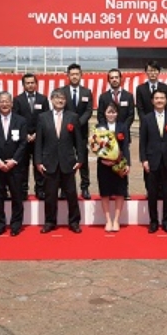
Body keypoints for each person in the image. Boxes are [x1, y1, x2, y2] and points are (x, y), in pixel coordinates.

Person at [35, 89, 87, 234]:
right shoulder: (43, 117)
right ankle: (50, 222)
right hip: (49, 162)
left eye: (62, 98)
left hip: (68, 162)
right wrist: (38, 160)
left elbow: (78, 140)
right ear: (51, 100)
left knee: (71, 194)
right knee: (50, 195)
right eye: (57, 98)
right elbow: (39, 141)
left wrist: (80, 159)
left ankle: (74, 222)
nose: (60, 100)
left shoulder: (73, 117)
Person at [0, 92, 28, 236]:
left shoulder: (20, 121)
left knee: (17, 196)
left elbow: (23, 143)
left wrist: (14, 161)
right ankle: (0, 225)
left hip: (15, 166)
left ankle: (16, 225)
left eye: (7, 101)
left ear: (11, 103)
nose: (4, 104)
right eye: (1, 101)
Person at [139, 89, 167, 233]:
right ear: (152, 101)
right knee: (152, 193)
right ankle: (153, 221)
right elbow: (142, 142)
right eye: (156, 98)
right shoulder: (146, 118)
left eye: (162, 98)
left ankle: (166, 222)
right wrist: (144, 160)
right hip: (151, 161)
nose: (159, 100)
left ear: (166, 100)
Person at [96, 68, 135, 199]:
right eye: (111, 78)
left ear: (120, 79)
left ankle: (124, 190)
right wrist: (107, 134)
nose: (114, 79)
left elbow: (131, 115)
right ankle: (109, 190)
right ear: (108, 80)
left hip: (122, 136)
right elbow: (100, 116)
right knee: (107, 164)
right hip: (106, 139)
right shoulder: (103, 97)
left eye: (116, 77)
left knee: (122, 162)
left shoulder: (128, 96)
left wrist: (121, 129)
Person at [58, 63, 94, 199]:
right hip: (65, 132)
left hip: (81, 131)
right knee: (65, 159)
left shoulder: (86, 92)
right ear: (68, 75)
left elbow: (89, 110)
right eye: (72, 74)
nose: (74, 76)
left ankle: (85, 187)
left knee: (82, 160)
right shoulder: (62, 91)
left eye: (76, 74)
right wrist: (69, 123)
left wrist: (78, 124)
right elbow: (59, 108)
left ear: (81, 75)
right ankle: (63, 188)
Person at [12, 73, 49, 200]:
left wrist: (37, 134)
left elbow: (46, 118)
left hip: (39, 138)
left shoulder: (43, 99)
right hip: (23, 139)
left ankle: (40, 189)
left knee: (39, 165)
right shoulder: (17, 100)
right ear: (23, 85)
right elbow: (15, 119)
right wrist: (25, 135)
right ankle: (23, 190)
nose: (30, 85)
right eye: (27, 83)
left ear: (36, 84)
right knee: (22, 166)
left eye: (32, 82)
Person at [95, 102, 130, 232]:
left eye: (113, 112)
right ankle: (108, 220)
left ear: (117, 113)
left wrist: (127, 164)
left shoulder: (123, 127)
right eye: (109, 112)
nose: (111, 114)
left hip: (119, 164)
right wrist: (104, 159)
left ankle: (116, 220)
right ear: (104, 113)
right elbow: (95, 147)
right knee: (105, 193)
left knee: (120, 192)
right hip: (103, 165)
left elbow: (125, 146)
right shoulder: (99, 127)